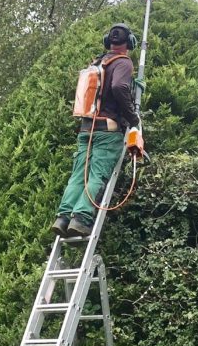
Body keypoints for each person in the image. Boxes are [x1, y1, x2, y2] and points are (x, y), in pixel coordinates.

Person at [51, 23, 139, 239]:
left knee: (78, 175)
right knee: (98, 175)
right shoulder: (123, 62)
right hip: (107, 132)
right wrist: (133, 118)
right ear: (129, 43)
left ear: (107, 41)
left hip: (86, 129)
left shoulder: (98, 63)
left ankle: (63, 218)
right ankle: (80, 220)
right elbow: (119, 87)